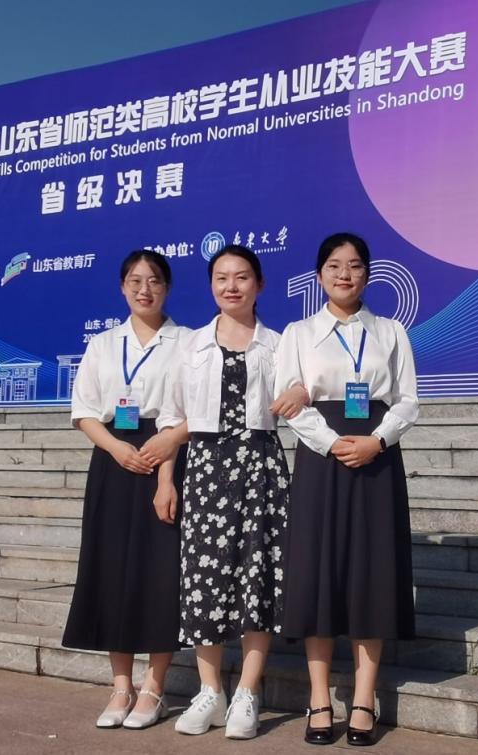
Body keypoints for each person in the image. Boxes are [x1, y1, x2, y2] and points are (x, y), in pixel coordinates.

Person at [275, 232, 419, 747]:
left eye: (355, 265)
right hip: (321, 460)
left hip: (377, 459)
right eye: (335, 265)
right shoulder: (298, 333)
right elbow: (287, 400)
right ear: (319, 275)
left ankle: (363, 698)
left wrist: (376, 441)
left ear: (367, 274)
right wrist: (334, 443)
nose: (345, 274)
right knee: (317, 572)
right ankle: (318, 698)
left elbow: (407, 400)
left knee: (371, 573)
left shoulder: (391, 331)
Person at [156, 244, 302, 740]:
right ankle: (210, 690)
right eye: (221, 277)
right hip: (205, 468)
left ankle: (247, 692)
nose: (231, 286)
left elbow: (300, 395)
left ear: (259, 284)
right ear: (211, 285)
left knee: (259, 575)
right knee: (205, 578)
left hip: (261, 466)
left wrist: (299, 392)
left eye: (241, 277)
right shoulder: (190, 346)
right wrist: (165, 480)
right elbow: (172, 417)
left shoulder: (279, 345)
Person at [62, 250, 190, 730]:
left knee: (161, 573)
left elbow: (190, 409)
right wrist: (116, 448)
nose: (144, 289)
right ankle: (121, 686)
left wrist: (165, 468)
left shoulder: (187, 342)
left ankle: (154, 687)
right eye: (135, 281)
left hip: (166, 454)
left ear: (167, 287)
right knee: (111, 570)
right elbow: (84, 411)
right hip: (114, 459)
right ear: (122, 287)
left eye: (154, 280)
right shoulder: (103, 344)